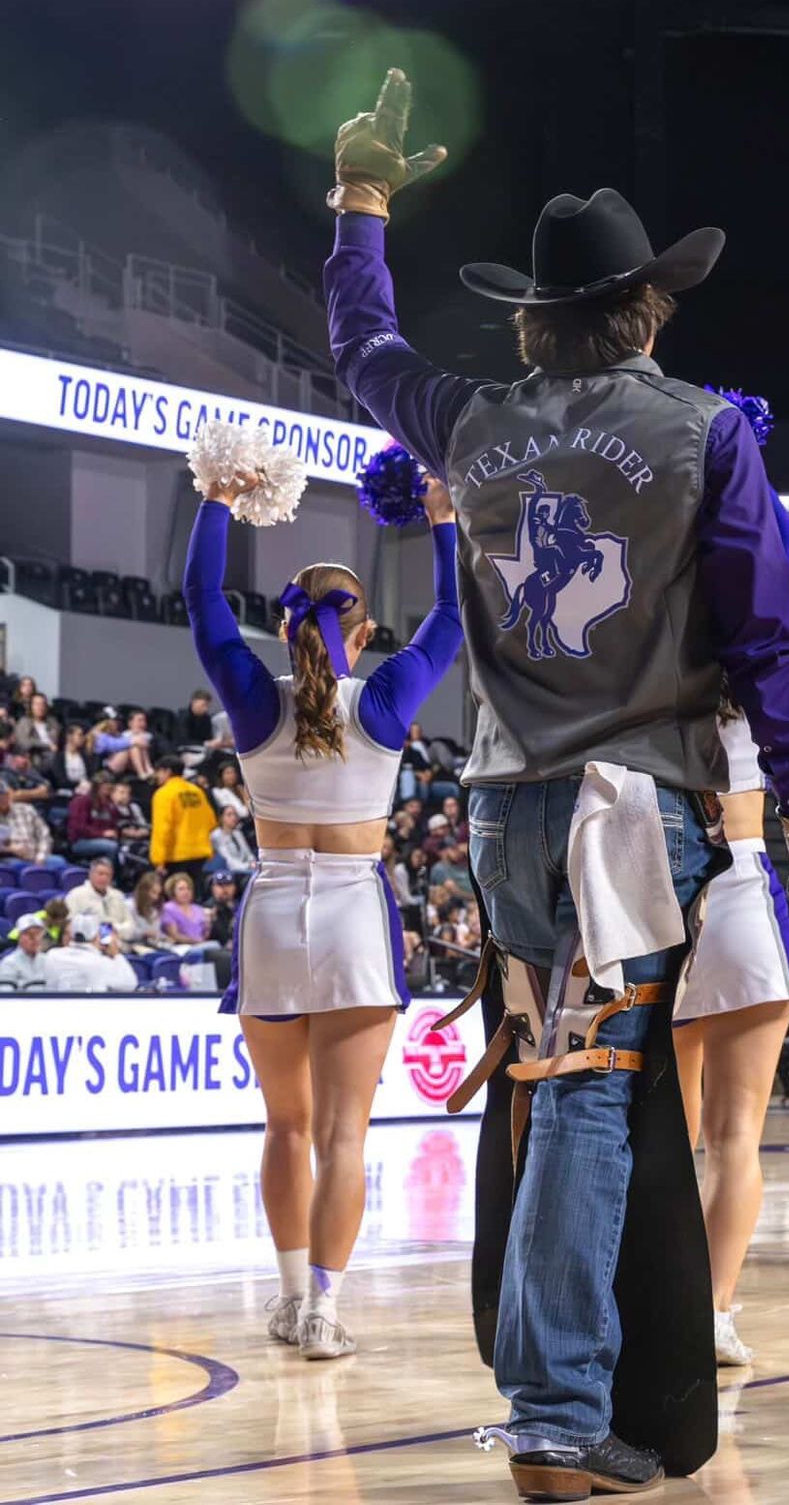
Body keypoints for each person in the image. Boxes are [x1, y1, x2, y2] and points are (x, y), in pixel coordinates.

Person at [325, 68, 789, 1494]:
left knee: (550, 1083)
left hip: (504, 801)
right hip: (636, 806)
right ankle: (557, 1413)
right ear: (647, 309)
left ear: (533, 319)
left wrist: (362, 203)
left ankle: (554, 1387)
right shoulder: (707, 432)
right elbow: (766, 633)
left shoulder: (472, 420)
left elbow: (362, 347)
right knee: (590, 1094)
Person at [184, 451, 461, 1364]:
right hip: (353, 916)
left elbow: (201, 601)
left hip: (269, 909)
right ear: (366, 629)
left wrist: (218, 500)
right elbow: (454, 615)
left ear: (283, 625)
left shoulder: (251, 697)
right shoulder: (383, 698)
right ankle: (324, 1310)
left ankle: (289, 1291)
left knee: (286, 1124)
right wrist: (443, 521)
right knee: (344, 1133)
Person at [672, 703, 789, 1367]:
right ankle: (712, 1312)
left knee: (660, 1138)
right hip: (739, 884)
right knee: (735, 1138)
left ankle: (652, 1302)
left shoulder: (639, 663)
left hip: (653, 890)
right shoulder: (757, 677)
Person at [149, 755, 215, 890]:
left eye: (159, 772)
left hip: (176, 856)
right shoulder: (197, 791)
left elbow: (162, 829)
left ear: (167, 771)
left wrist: (158, 859)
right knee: (194, 896)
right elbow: (211, 821)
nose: (157, 776)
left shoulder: (163, 794)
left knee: (176, 898)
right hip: (200, 853)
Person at [43, 915, 138, 993]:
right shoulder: (102, 963)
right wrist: (116, 955)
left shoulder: (52, 955)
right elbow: (129, 984)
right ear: (97, 936)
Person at [67, 770, 121, 866]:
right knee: (112, 847)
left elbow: (114, 824)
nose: (107, 792)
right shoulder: (82, 801)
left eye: (110, 789)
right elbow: (79, 827)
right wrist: (102, 834)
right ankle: (110, 872)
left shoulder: (110, 804)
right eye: (105, 789)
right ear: (97, 788)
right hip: (81, 840)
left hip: (104, 839)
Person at [65, 857, 132, 933]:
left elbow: (130, 925)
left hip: (118, 937)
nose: (104, 878)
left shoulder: (118, 896)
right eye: (100, 874)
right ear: (91, 874)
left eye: (108, 875)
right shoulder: (76, 895)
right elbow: (69, 925)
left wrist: (115, 929)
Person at [0, 779, 52, 864]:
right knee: (15, 864)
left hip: (35, 857)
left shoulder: (27, 809)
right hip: (7, 859)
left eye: (4, 795)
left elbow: (44, 836)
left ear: (9, 795)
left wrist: (40, 857)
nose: (2, 799)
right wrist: (10, 849)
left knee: (60, 863)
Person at [12, 693, 60, 773]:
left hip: (52, 757)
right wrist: (47, 745)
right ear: (31, 707)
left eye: (43, 704)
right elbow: (24, 742)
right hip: (34, 757)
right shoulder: (24, 722)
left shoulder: (53, 722)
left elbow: (56, 741)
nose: (40, 707)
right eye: (37, 704)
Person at [208, 806, 257, 881]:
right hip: (227, 871)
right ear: (221, 818)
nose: (233, 817)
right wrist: (248, 866)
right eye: (229, 815)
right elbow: (228, 860)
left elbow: (248, 853)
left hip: (245, 868)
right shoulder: (216, 835)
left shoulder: (237, 833)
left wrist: (253, 862)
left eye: (235, 814)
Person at [0, 915, 48, 989]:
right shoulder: (9, 963)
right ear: (19, 936)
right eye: (29, 934)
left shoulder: (48, 960)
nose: (35, 938)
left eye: (38, 933)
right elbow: (6, 992)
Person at [124, 871, 166, 950]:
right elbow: (126, 933)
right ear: (144, 890)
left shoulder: (154, 910)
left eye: (158, 894)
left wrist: (162, 937)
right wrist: (144, 933)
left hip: (150, 946)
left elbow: (156, 931)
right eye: (153, 892)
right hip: (131, 947)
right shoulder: (129, 905)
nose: (155, 897)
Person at [49, 722, 95, 794]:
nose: (83, 738)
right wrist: (79, 784)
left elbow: (91, 775)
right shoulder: (59, 757)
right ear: (69, 737)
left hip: (86, 790)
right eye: (80, 735)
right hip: (67, 791)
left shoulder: (85, 757)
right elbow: (61, 781)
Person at [208, 872, 239, 951]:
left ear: (234, 887)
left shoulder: (241, 907)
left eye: (228, 885)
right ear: (213, 888)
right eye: (220, 885)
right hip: (215, 949)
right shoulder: (206, 907)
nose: (225, 888)